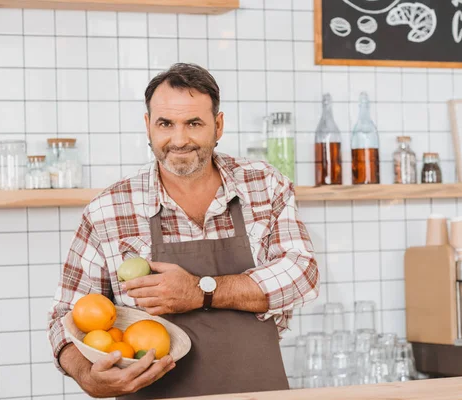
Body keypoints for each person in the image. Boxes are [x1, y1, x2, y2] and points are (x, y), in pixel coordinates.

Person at [46, 63, 319, 399]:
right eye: (165, 123)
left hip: (257, 391)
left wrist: (201, 291)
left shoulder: (264, 185)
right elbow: (65, 315)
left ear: (218, 126)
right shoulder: (109, 209)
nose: (179, 140)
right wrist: (87, 376)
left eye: (194, 123)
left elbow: (302, 273)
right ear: (148, 126)